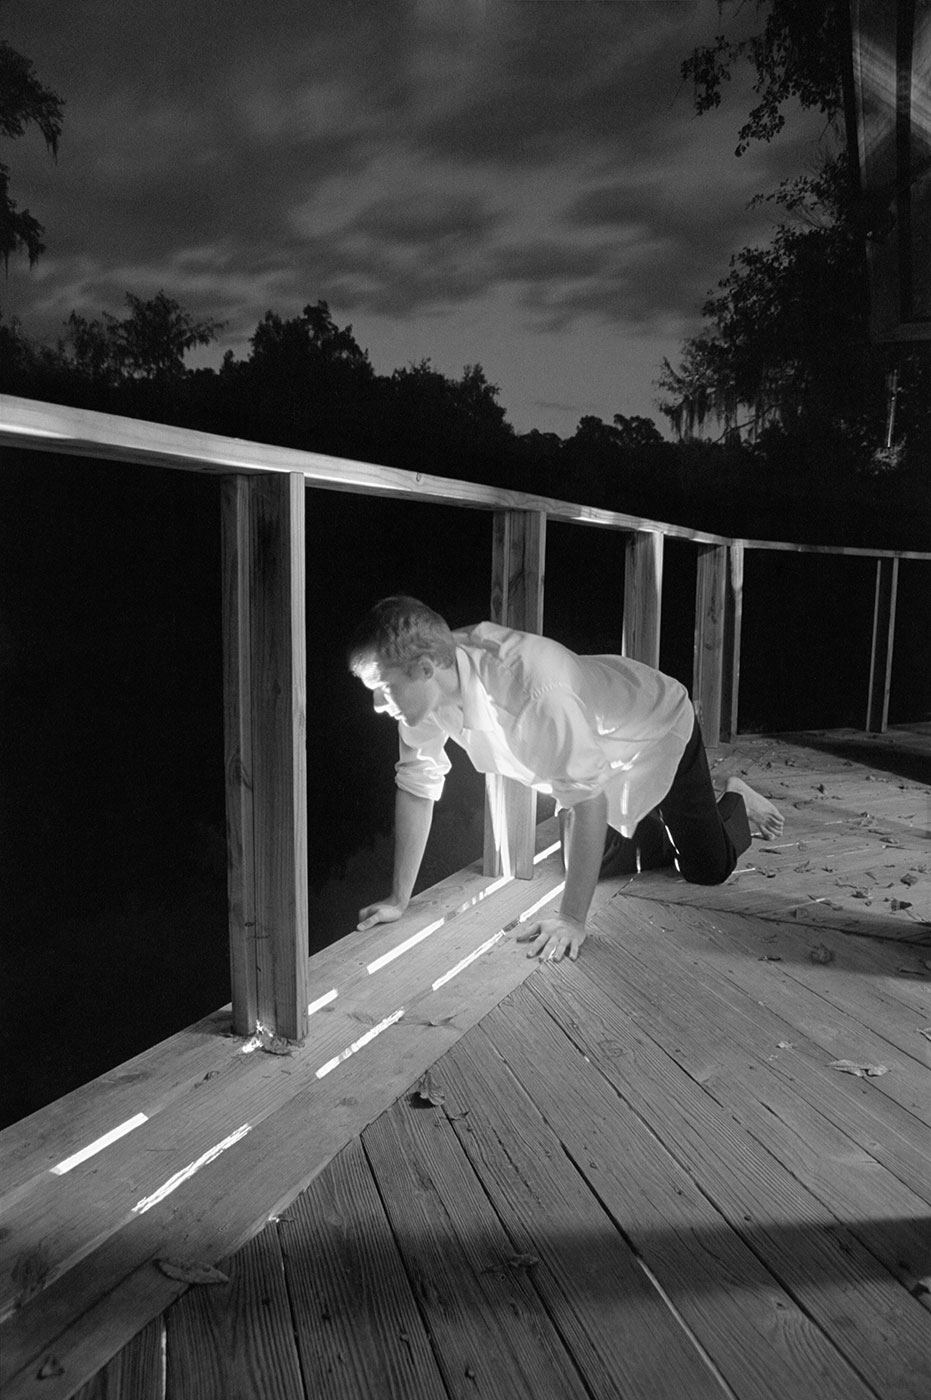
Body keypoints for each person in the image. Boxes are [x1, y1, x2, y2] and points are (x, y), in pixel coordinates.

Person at [348, 596, 783, 963]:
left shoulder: (534, 689)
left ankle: (733, 796)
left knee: (706, 868)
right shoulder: (427, 688)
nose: (377, 705)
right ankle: (657, 819)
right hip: (587, 760)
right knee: (591, 866)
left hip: (653, 730)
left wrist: (573, 919)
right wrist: (398, 899)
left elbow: (589, 802)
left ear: (425, 668)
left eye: (384, 688)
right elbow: (418, 784)